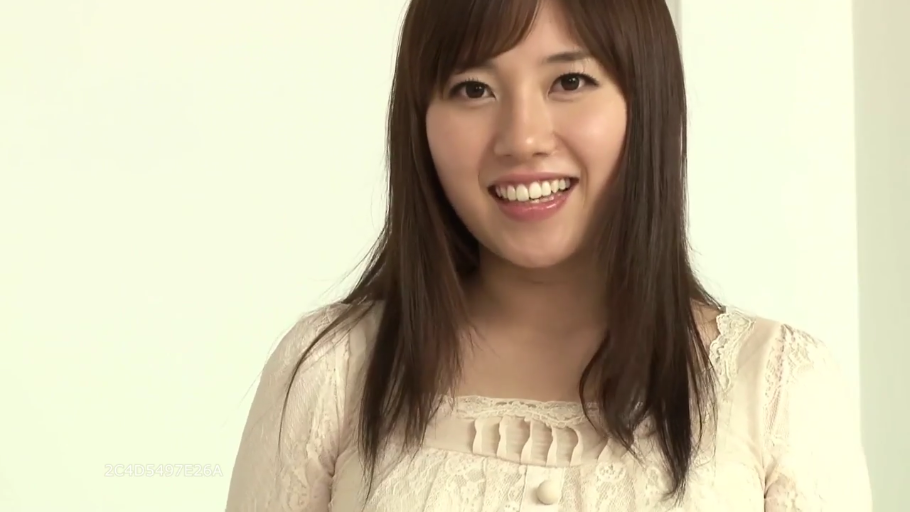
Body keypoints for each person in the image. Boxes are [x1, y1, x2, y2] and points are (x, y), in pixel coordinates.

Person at [225, 0, 873, 510]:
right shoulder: (332, 372)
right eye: (473, 89)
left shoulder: (779, 389)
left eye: (570, 80)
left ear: (647, 105)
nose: (523, 137)